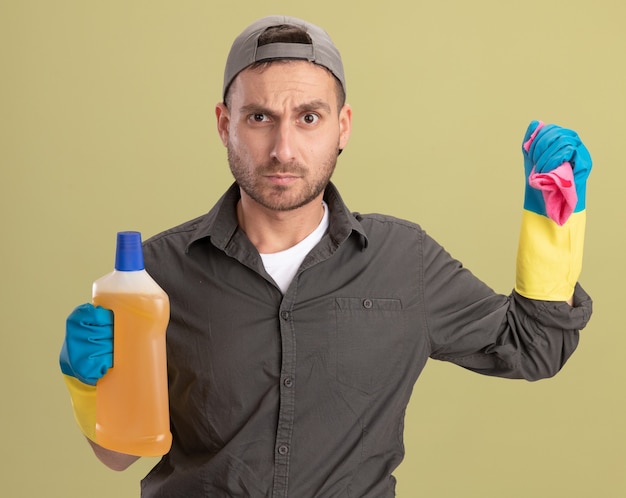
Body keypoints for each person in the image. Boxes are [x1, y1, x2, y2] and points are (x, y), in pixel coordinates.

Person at [59, 15, 593, 497]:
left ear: (344, 126)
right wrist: (87, 385)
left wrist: (551, 220)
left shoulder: (404, 261)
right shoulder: (157, 274)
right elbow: (118, 454)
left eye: (309, 118)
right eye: (260, 118)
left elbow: (535, 348)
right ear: (225, 124)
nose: (284, 149)